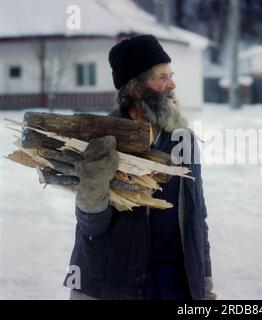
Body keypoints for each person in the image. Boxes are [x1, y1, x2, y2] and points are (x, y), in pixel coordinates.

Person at [63, 34, 216, 300]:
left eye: (171, 75)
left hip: (173, 284)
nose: (172, 84)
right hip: (116, 284)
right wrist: (92, 190)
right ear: (135, 90)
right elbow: (92, 228)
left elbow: (196, 217)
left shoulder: (183, 139)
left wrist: (203, 279)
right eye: (162, 77)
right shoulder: (103, 139)